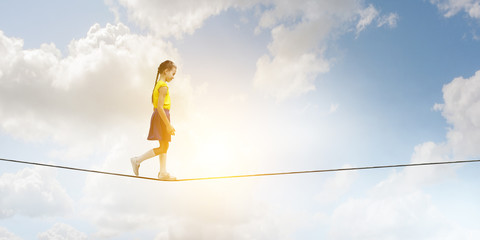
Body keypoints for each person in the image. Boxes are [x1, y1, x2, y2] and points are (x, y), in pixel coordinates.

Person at [131, 60, 177, 180]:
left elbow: (155, 107)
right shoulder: (163, 86)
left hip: (160, 115)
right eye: (173, 74)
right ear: (166, 71)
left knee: (164, 145)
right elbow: (160, 107)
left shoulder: (158, 84)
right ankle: (137, 160)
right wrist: (168, 125)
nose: (173, 77)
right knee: (163, 147)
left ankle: (162, 173)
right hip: (163, 115)